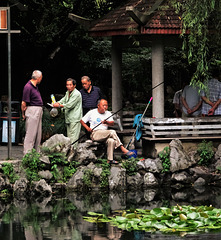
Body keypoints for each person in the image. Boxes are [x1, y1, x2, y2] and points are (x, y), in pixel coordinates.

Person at [80, 99, 132, 164]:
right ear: (98, 106)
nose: (105, 107)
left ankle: (110, 160)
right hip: (95, 133)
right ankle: (122, 148)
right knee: (112, 132)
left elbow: (112, 123)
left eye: (106, 105)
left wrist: (106, 122)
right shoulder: (92, 112)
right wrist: (87, 128)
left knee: (111, 141)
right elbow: (82, 121)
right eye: (103, 105)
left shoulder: (108, 113)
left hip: (105, 134)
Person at [53, 78, 82, 148]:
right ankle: (69, 155)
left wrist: (59, 105)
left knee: (73, 139)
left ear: (74, 85)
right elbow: (63, 100)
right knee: (69, 138)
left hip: (75, 118)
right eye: (67, 85)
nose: (68, 86)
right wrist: (57, 103)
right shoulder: (68, 92)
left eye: (70, 85)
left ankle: (72, 155)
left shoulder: (77, 94)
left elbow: (69, 105)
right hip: (69, 118)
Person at [21, 70, 43, 155]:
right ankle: (27, 155)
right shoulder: (28, 86)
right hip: (32, 111)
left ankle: (36, 154)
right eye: (41, 77)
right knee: (30, 134)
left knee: (38, 135)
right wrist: (23, 113)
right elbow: (23, 102)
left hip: (37, 111)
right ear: (38, 78)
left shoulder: (34, 86)